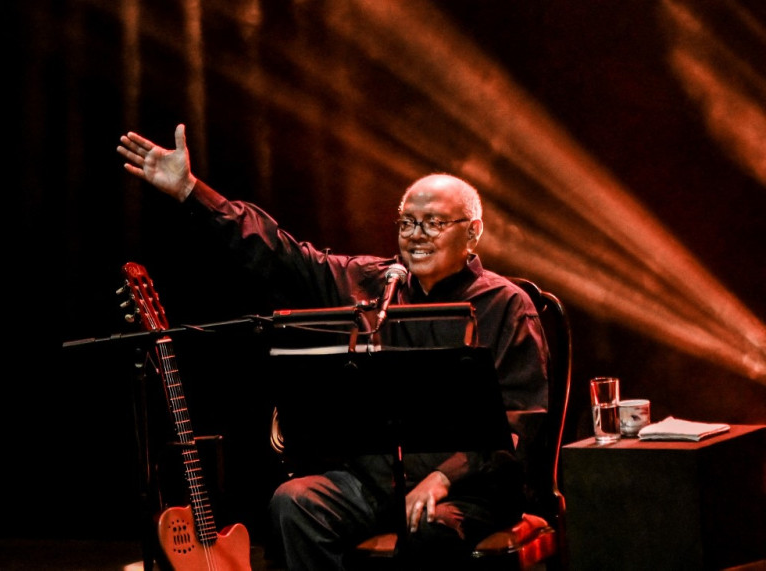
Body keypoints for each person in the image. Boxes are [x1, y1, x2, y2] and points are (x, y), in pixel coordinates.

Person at [117, 124, 549, 570]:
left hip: (468, 492)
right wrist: (191, 191)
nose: (417, 235)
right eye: (407, 223)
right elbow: (281, 254)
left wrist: (442, 478)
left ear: (473, 233)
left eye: (434, 223)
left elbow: (519, 422)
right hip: (380, 483)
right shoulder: (373, 283)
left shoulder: (505, 305)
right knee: (295, 503)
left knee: (430, 533)